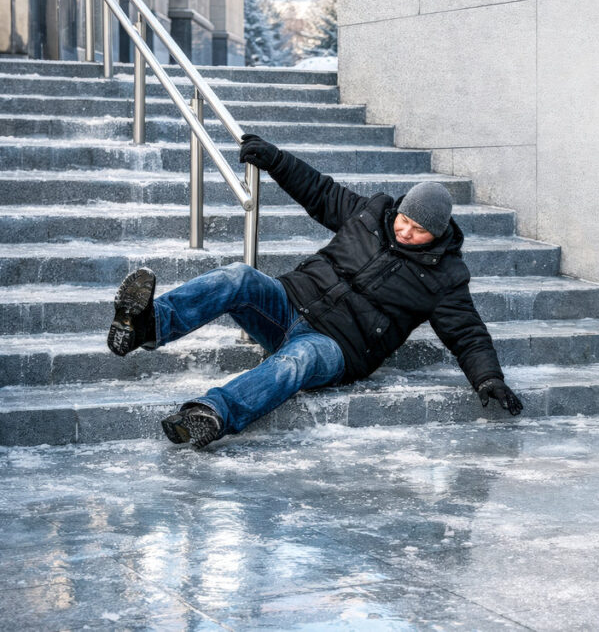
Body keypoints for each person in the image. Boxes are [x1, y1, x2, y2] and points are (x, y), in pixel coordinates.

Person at [106, 134, 523, 449]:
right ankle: (149, 324)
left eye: (419, 231)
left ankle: (211, 414)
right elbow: (320, 193)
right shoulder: (373, 212)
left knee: (298, 359)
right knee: (239, 276)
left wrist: (488, 378)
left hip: (337, 347)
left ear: (437, 235)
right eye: (405, 221)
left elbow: (466, 332)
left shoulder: (445, 276)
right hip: (287, 304)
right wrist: (277, 160)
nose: (406, 232)